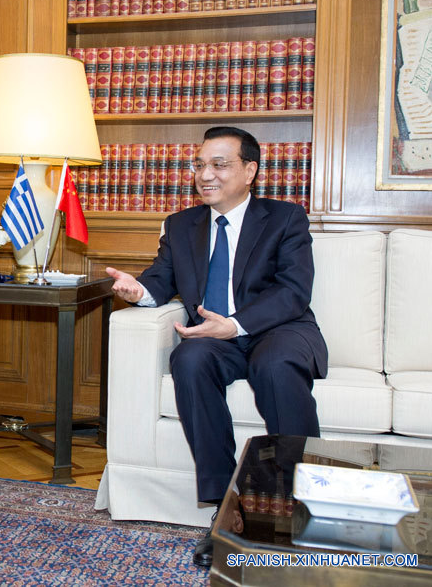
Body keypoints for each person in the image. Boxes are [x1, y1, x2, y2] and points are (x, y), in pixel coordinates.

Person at [105, 126, 327, 568]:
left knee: (275, 366)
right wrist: (138, 292)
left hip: (277, 329)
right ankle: (229, 510)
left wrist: (237, 325)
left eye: (219, 165)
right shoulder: (182, 225)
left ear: (250, 170)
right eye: (200, 165)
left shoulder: (285, 218)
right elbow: (159, 280)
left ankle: (294, 501)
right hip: (213, 335)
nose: (205, 174)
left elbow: (293, 291)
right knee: (188, 359)